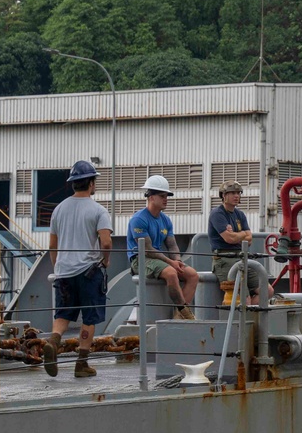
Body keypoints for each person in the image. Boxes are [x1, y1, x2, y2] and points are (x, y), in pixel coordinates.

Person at [43, 159, 112, 378]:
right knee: (89, 318)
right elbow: (107, 242)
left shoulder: (59, 209)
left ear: (73, 183)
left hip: (64, 271)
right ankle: (81, 364)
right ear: (91, 183)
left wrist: (58, 266)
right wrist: (105, 260)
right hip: (88, 271)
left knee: (63, 314)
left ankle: (53, 342)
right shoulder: (98, 210)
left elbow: (52, 245)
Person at [127, 174, 198, 319]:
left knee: (192, 275)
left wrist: (177, 260)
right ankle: (185, 313)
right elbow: (147, 249)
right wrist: (171, 263)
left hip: (158, 260)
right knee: (171, 273)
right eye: (162, 196)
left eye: (167, 196)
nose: (166, 199)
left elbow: (172, 246)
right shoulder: (139, 219)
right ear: (151, 197)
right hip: (140, 259)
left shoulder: (165, 220)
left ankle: (179, 315)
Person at [208, 179, 274, 303]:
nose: (236, 196)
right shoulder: (217, 214)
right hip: (224, 259)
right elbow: (229, 238)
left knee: (268, 290)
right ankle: (244, 317)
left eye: (238, 193)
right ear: (223, 195)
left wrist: (239, 234)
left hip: (241, 257)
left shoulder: (240, 215)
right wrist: (242, 234)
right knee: (244, 299)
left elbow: (249, 239)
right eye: (232, 193)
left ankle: (252, 317)